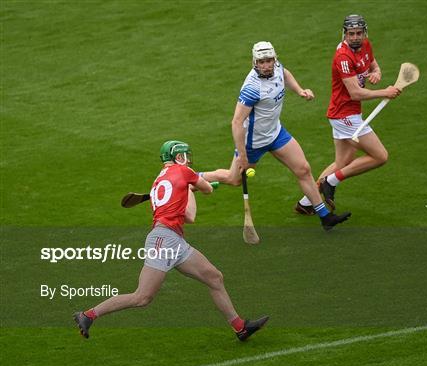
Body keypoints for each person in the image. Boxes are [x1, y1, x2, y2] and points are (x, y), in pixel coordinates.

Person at [74, 140, 269, 341]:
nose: (187, 160)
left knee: (214, 277)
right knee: (142, 297)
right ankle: (87, 315)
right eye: (184, 156)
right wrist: (193, 189)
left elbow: (192, 200)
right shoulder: (183, 172)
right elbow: (200, 202)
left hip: (175, 241)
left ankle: (240, 328)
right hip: (163, 240)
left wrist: (189, 188)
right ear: (176, 157)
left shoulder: (159, 181)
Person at [201, 41, 351, 230]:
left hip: (276, 133)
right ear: (255, 62)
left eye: (269, 61)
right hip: (252, 143)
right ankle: (196, 178)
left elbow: (285, 74)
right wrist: (244, 155)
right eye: (261, 62)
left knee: (303, 169)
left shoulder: (277, 67)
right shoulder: (252, 88)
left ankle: (325, 217)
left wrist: (299, 90)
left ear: (274, 59)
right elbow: (236, 122)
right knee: (234, 179)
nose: (266, 65)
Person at [295, 15, 401, 215]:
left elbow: (373, 65)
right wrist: (384, 93)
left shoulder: (366, 45)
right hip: (344, 115)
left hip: (348, 113)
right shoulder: (343, 57)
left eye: (358, 33)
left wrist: (376, 73)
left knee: (342, 163)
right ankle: (331, 181)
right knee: (380, 156)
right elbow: (355, 93)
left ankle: (306, 203)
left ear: (364, 33)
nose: (355, 37)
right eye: (350, 34)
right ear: (344, 34)